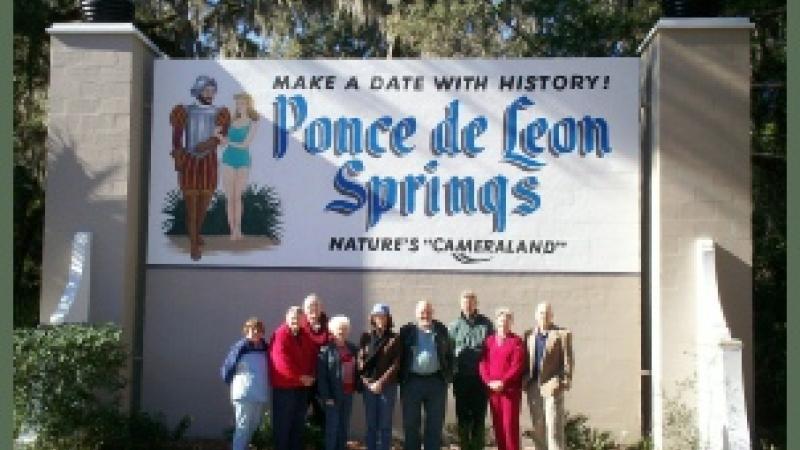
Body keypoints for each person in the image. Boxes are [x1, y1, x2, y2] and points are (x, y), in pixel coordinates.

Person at [169, 75, 231, 260]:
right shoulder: (184, 111)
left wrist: (210, 143)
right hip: (190, 160)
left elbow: (222, 136)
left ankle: (195, 233)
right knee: (191, 205)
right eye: (206, 90)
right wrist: (178, 156)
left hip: (208, 161)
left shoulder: (220, 112)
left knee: (204, 204)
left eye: (212, 90)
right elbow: (177, 137)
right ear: (198, 91)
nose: (210, 94)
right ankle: (194, 245)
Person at [398, 300, 454, 450]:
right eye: (422, 312)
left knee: (435, 424)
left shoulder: (441, 330)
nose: (425, 315)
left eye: (428, 312)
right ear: (416, 314)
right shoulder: (407, 331)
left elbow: (449, 354)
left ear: (432, 313)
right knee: (411, 424)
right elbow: (399, 356)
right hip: (412, 381)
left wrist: (447, 377)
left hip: (436, 381)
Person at [522, 303, 574, 450]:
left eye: (546, 313)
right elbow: (525, 360)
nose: (543, 316)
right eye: (540, 313)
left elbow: (568, 361)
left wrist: (563, 382)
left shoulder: (562, 334)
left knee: (554, 428)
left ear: (552, 316)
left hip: (552, 385)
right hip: (533, 386)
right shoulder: (529, 335)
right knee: (538, 427)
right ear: (536, 316)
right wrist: (524, 381)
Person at [448, 290, 494, 450]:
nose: (468, 304)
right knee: (462, 419)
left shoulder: (486, 324)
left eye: (471, 301)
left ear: (476, 304)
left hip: (480, 379)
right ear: (461, 304)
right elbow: (448, 352)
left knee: (479, 418)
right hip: (461, 379)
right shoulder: (453, 326)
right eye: (465, 301)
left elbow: (492, 351)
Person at [269, 306, 316, 450]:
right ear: (287, 318)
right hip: (285, 389)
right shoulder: (280, 334)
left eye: (299, 317)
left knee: (298, 426)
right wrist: (301, 378)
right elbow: (281, 362)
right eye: (293, 317)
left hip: (301, 389)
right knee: (283, 426)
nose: (296, 320)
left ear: (304, 320)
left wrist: (311, 375)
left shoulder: (305, 336)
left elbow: (312, 357)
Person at [357, 304, 402, 450]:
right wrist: (368, 382)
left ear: (388, 318)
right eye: (377, 316)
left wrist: (380, 383)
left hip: (387, 386)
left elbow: (396, 364)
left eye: (383, 316)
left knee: (385, 425)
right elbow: (360, 361)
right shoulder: (366, 337)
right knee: (371, 425)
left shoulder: (394, 338)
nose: (380, 319)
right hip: (368, 386)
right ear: (372, 318)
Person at [220, 317, 270, 450]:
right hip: (244, 394)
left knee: (253, 425)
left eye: (258, 330)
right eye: (252, 329)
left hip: (259, 393)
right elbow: (227, 369)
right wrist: (238, 384)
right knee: (243, 427)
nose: (255, 332)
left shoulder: (265, 348)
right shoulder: (240, 348)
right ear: (246, 331)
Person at [479, 308, 525, 450]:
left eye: (506, 322)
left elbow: (517, 365)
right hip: (493, 391)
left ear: (511, 323)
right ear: (496, 323)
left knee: (509, 426)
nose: (503, 325)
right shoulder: (489, 341)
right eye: (500, 322)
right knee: (498, 425)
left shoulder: (516, 341)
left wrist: (503, 382)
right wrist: (488, 381)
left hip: (510, 391)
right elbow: (483, 363)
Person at [218, 92, 259, 241]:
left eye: (242, 103)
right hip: (228, 159)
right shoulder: (231, 121)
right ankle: (232, 230)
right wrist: (219, 137)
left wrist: (227, 141)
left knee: (237, 197)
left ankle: (238, 228)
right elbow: (223, 144)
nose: (239, 106)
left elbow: (244, 145)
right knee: (230, 198)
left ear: (248, 105)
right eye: (238, 103)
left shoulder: (252, 123)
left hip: (243, 161)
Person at [317, 315, 360, 450]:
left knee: (343, 427)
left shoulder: (353, 348)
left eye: (344, 328)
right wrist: (326, 397)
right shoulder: (325, 351)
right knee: (332, 428)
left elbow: (359, 368)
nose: (342, 331)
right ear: (332, 331)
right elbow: (322, 377)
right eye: (339, 329)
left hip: (348, 394)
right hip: (333, 396)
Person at [302, 293, 332, 435]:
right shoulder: (300, 326)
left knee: (324, 414)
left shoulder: (328, 325)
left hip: (322, 378)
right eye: (310, 306)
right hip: (304, 378)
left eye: (316, 306)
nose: (313, 309)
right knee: (300, 413)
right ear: (304, 309)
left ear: (321, 308)